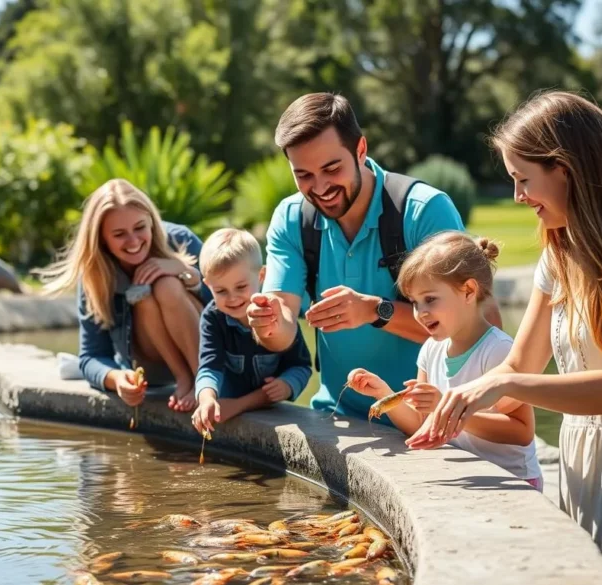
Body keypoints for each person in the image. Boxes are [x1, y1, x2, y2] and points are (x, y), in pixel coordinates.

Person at [420, 91, 602, 585]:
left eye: (523, 179)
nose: (518, 196)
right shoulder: (560, 253)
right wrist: (460, 401)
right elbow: (519, 365)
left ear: (566, 168)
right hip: (580, 471)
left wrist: (501, 389)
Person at [246, 91, 501, 424]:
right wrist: (266, 323)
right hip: (337, 415)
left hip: (429, 423)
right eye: (303, 175)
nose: (320, 187)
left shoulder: (423, 211)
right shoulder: (292, 219)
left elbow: (483, 326)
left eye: (331, 168)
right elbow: (281, 329)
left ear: (361, 150)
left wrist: (373, 311)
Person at [347, 231, 542, 491]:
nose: (420, 313)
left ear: (469, 291)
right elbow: (420, 424)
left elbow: (521, 432)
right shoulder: (431, 349)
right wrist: (384, 395)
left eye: (430, 299)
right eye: (415, 303)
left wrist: (448, 410)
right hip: (464, 478)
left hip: (511, 481)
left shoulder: (498, 351)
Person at [39, 178, 212, 412]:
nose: (133, 241)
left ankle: (202, 381)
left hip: (206, 358)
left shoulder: (180, 240)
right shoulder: (95, 274)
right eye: (119, 234)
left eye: (140, 228)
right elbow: (90, 357)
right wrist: (116, 378)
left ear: (151, 221)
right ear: (101, 238)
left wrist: (186, 272)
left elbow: (231, 306)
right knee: (143, 295)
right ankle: (184, 378)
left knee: (167, 285)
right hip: (149, 364)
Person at [190, 228, 312, 434]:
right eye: (220, 291)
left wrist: (288, 384)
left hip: (270, 405)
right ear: (208, 285)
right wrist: (207, 398)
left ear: (262, 275)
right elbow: (210, 366)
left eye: (241, 287)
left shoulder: (277, 314)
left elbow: (302, 366)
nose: (232, 298)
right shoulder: (213, 318)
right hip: (227, 399)